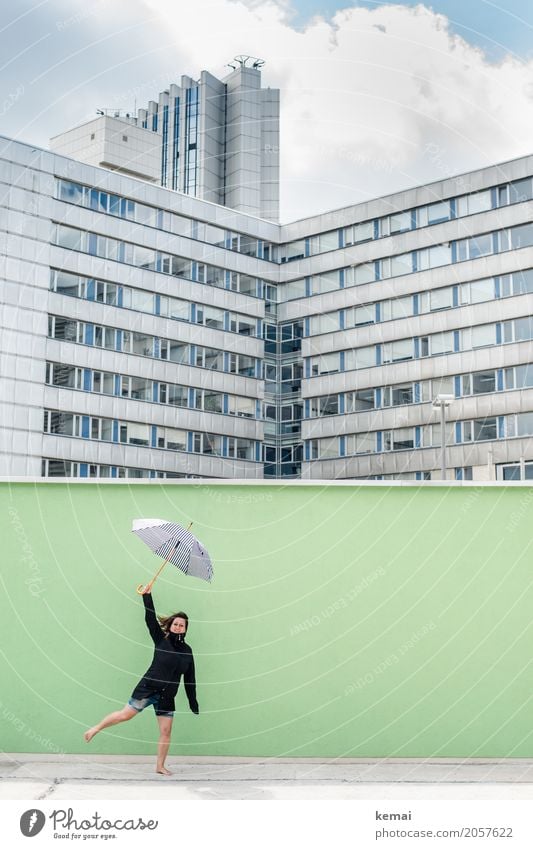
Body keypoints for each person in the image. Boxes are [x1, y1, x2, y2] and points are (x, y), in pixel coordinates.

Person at [84, 583, 199, 775]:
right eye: (175, 624)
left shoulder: (187, 651)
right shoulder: (161, 640)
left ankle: (160, 766)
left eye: (182, 625)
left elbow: (190, 678)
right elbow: (150, 620)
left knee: (166, 732)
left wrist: (192, 701)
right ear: (170, 625)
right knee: (124, 716)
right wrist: (147, 596)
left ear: (186, 628)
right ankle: (96, 728)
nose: (178, 627)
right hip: (149, 688)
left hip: (167, 696)